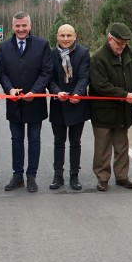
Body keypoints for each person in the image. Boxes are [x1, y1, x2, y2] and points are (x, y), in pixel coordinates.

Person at [0, 11, 53, 192]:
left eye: (24, 25)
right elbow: (2, 72)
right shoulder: (4, 46)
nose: (21, 29)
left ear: (30, 25)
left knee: (34, 139)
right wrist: (9, 89)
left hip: (34, 102)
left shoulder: (42, 44)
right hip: (14, 103)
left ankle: (31, 176)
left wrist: (35, 91)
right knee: (16, 140)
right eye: (17, 26)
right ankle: (17, 175)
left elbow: (46, 72)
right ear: (12, 26)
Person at [89, 23, 132, 192]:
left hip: (124, 110)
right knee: (103, 147)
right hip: (103, 110)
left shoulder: (130, 53)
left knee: (122, 145)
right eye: (119, 43)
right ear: (110, 39)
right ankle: (102, 178)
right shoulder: (98, 58)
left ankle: (122, 176)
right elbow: (101, 86)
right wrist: (124, 95)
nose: (122, 47)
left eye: (125, 43)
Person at [48, 24, 90, 191]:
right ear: (57, 37)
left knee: (75, 142)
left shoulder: (83, 53)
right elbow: (48, 77)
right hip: (58, 103)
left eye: (69, 35)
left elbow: (84, 76)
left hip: (77, 103)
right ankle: (58, 175)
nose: (65, 39)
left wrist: (78, 93)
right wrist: (56, 92)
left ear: (75, 36)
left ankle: (74, 175)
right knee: (59, 141)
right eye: (62, 35)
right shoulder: (51, 54)